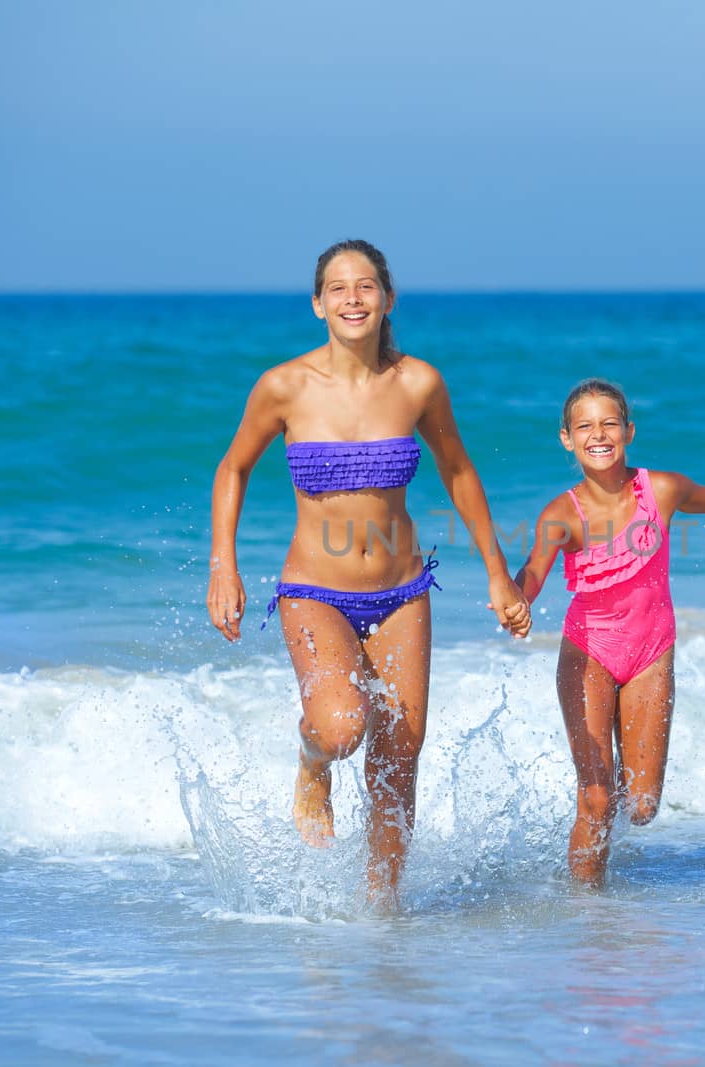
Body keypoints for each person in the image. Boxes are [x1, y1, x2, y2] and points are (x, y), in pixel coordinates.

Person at [207, 239, 531, 910]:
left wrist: (499, 576)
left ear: (387, 298)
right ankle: (310, 761)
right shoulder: (284, 386)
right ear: (317, 303)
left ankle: (382, 914)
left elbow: (459, 471)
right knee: (342, 728)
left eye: (366, 285)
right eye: (338, 287)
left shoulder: (417, 383)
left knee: (398, 754)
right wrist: (223, 565)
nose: (353, 297)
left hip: (402, 590)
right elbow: (233, 467)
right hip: (313, 591)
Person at [513, 378, 705, 885]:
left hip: (651, 653)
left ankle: (604, 832)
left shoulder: (662, 490)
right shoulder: (563, 513)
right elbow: (535, 569)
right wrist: (517, 602)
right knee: (595, 797)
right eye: (584, 426)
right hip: (589, 651)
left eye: (609, 423)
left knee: (642, 805)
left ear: (629, 430)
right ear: (567, 438)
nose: (599, 434)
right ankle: (589, 911)